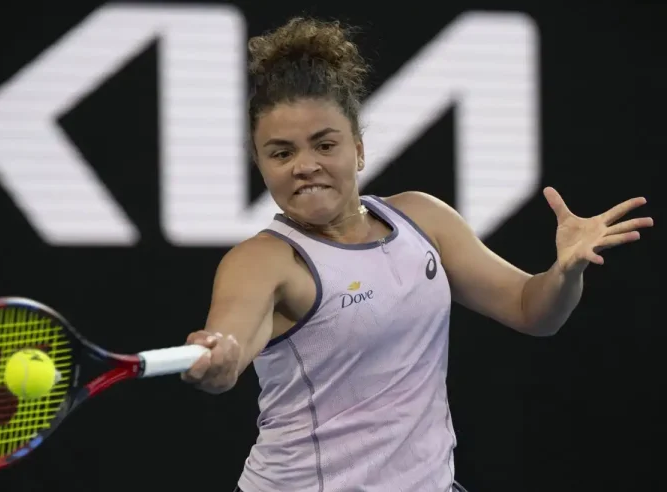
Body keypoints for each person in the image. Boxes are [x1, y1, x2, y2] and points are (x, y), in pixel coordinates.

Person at [179, 17, 653, 492]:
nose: (305, 165)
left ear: (358, 150)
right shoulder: (263, 261)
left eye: (324, 144)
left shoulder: (423, 219)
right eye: (281, 154)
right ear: (260, 164)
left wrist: (565, 272)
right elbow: (229, 346)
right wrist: (219, 356)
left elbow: (533, 310)